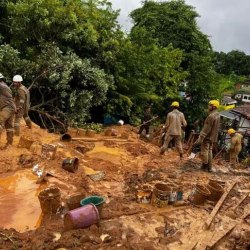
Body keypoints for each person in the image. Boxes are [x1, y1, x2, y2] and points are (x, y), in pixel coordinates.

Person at [195, 100, 220, 172]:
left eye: (210, 105)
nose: (208, 106)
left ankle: (204, 166)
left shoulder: (211, 116)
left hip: (207, 136)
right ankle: (209, 167)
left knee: (204, 151)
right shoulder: (218, 115)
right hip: (213, 137)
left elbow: (207, 128)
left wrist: (201, 136)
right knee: (209, 151)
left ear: (214, 106)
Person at [0, 73, 16, 148]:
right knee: (9, 126)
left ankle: (9, 143)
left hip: (8, 107)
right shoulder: (3, 85)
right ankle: (9, 143)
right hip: (10, 107)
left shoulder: (1, 86)